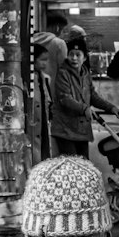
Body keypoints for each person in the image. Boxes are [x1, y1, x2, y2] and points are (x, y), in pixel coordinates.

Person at [48, 35, 119, 159]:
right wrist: (85, 109)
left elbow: (93, 96)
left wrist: (112, 108)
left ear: (85, 57)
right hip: (65, 130)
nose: (74, 58)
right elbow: (65, 99)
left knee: (84, 163)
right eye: (71, 54)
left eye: (78, 55)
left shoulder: (85, 73)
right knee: (72, 166)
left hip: (81, 130)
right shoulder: (63, 73)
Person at [34, 15, 71, 155]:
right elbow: (64, 72)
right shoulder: (59, 43)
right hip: (54, 94)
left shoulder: (31, 40)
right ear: (57, 27)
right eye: (63, 29)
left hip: (37, 91)